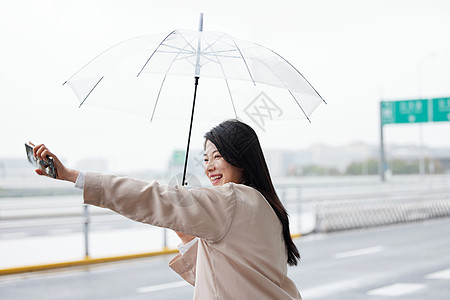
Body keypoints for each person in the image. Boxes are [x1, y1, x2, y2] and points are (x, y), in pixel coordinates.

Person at [33, 119, 302, 299]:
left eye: (218, 156)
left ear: (241, 158)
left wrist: (73, 176)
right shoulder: (269, 207)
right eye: (206, 158)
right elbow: (232, 278)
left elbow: (153, 197)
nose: (208, 167)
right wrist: (187, 238)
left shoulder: (229, 199)